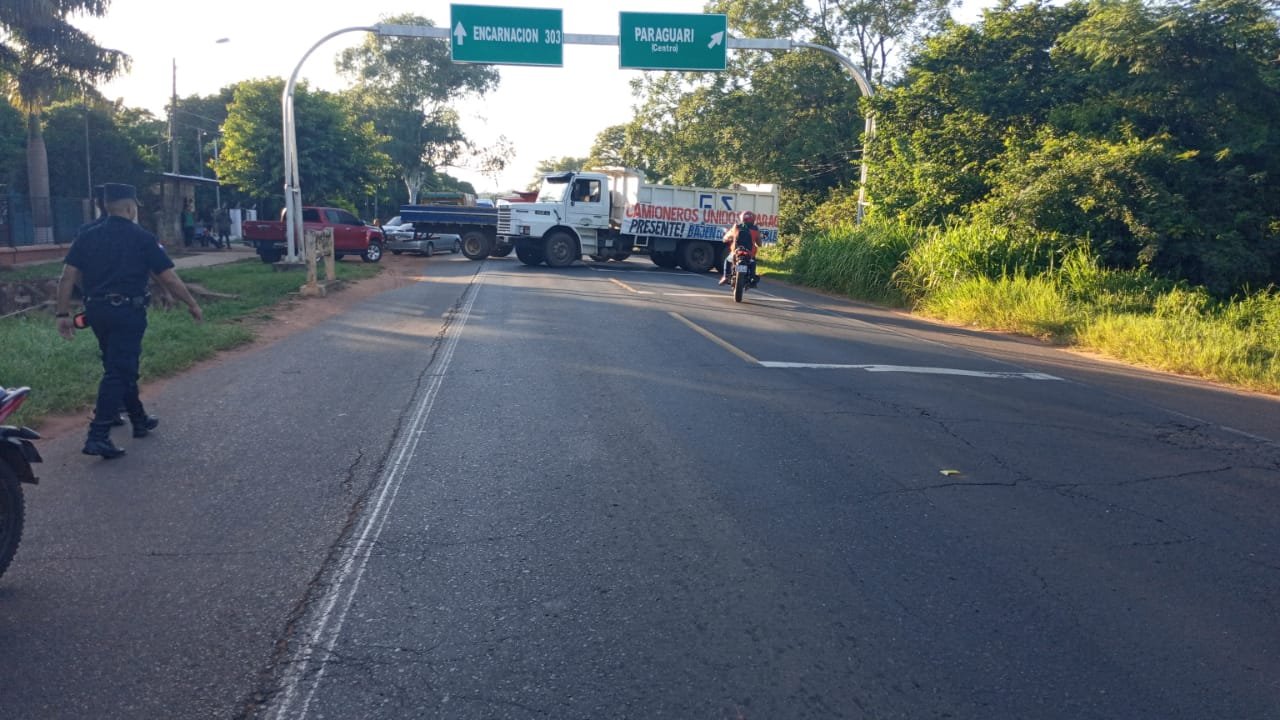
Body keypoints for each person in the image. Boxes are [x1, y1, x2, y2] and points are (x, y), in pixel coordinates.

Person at [55, 183, 204, 459]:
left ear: (105, 207)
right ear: (130, 207)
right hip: (127, 312)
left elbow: (67, 276)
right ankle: (98, 434)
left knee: (117, 365)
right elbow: (168, 277)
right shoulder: (141, 237)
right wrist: (192, 303)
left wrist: (62, 314)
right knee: (120, 370)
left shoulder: (86, 235)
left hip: (97, 311)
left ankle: (138, 419)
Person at [718, 210, 762, 286]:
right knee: (753, 262)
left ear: (742, 218)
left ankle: (725, 276)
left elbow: (727, 237)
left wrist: (725, 239)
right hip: (749, 253)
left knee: (727, 260)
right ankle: (752, 278)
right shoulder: (755, 229)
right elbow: (759, 244)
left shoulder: (737, 227)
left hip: (736, 252)